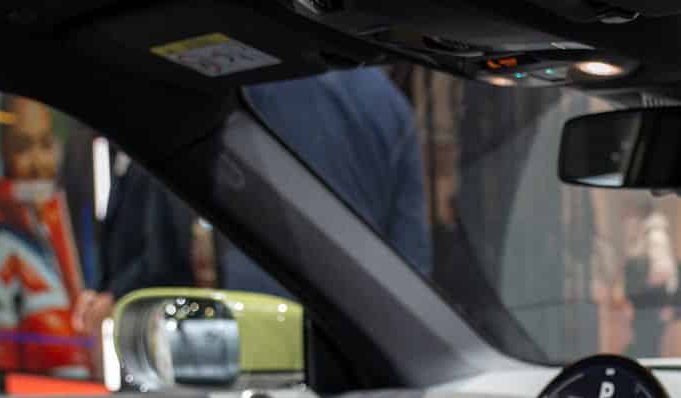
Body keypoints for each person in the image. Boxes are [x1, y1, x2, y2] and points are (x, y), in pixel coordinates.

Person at [222, 67, 430, 293]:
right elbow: (411, 249)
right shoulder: (394, 108)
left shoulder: (261, 83)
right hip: (350, 297)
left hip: (262, 287)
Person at [74, 154, 200, 336]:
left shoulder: (152, 165)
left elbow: (161, 254)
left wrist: (113, 295)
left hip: (160, 318)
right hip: (137, 319)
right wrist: (98, 291)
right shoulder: (124, 164)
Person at [620, 205, 681, 358]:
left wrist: (669, 303)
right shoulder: (639, 254)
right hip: (646, 306)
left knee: (651, 345)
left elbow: (668, 273)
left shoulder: (657, 239)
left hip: (653, 304)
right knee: (647, 345)